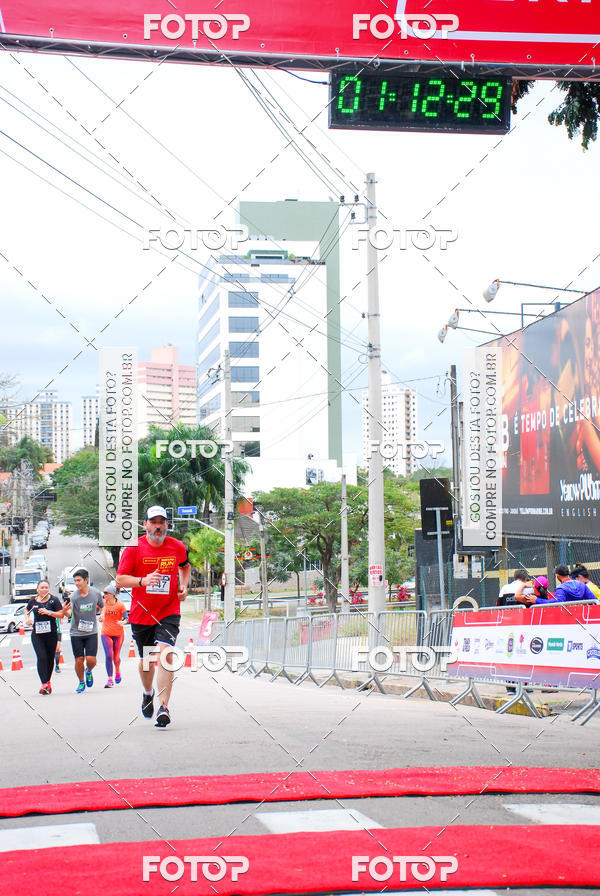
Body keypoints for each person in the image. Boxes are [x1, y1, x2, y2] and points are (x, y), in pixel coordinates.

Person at [116, 505, 191, 728]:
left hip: (169, 610)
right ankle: (148, 692)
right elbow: (120, 579)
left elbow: (185, 567)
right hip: (142, 614)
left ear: (167, 524)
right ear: (145, 525)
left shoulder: (177, 547)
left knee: (165, 654)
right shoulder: (134, 548)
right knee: (147, 661)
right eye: (153, 522)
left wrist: (184, 585)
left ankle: (164, 707)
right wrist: (143, 581)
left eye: (161, 522)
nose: (158, 526)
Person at [63, 568, 104, 693]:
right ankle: (81, 682)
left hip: (91, 631)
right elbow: (70, 614)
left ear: (86, 580)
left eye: (79, 580)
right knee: (79, 660)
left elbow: (103, 606)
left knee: (91, 659)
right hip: (76, 632)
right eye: (75, 581)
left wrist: (102, 614)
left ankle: (89, 671)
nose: (76, 583)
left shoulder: (96, 593)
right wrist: (65, 611)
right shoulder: (74, 597)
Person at [25, 580, 65, 695]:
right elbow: (27, 610)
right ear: (37, 589)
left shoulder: (54, 600)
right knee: (41, 657)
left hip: (51, 634)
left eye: (46, 587)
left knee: (49, 658)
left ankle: (47, 682)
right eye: (42, 587)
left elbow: (61, 614)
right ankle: (44, 684)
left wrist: (49, 612)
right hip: (37, 635)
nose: (44, 589)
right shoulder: (33, 601)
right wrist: (27, 619)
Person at [99, 583, 126, 688]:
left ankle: (117, 670)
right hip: (106, 633)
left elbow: (126, 618)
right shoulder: (103, 603)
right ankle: (110, 678)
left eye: (106, 593)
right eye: (103, 593)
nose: (104, 595)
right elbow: (99, 611)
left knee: (116, 656)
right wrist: (100, 616)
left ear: (112, 594)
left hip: (118, 634)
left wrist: (123, 622)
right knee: (109, 655)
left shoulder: (120, 605)